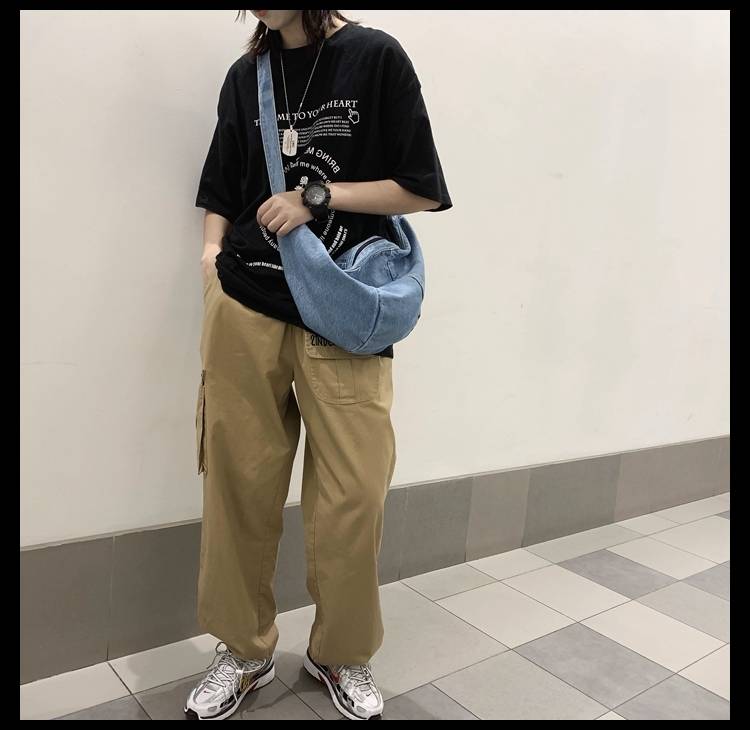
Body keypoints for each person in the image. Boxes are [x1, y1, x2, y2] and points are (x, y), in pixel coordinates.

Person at [185, 9, 452, 721]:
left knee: (354, 494)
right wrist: (211, 258)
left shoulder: (374, 57)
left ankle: (340, 653)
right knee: (238, 486)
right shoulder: (247, 76)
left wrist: (317, 197)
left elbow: (421, 186)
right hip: (246, 303)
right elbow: (221, 185)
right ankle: (243, 649)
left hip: (343, 304)